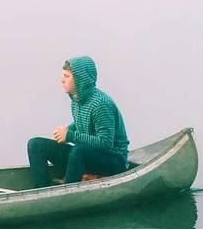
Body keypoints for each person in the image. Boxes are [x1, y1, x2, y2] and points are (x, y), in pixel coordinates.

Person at [27, 56, 129, 188]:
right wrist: (66, 132)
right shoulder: (77, 101)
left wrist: (70, 136)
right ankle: (41, 190)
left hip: (114, 160)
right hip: (89, 155)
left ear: (80, 79)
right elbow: (82, 123)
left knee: (78, 150)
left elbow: (105, 143)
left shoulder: (101, 104)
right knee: (35, 144)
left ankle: (67, 192)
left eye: (67, 76)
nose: (61, 80)